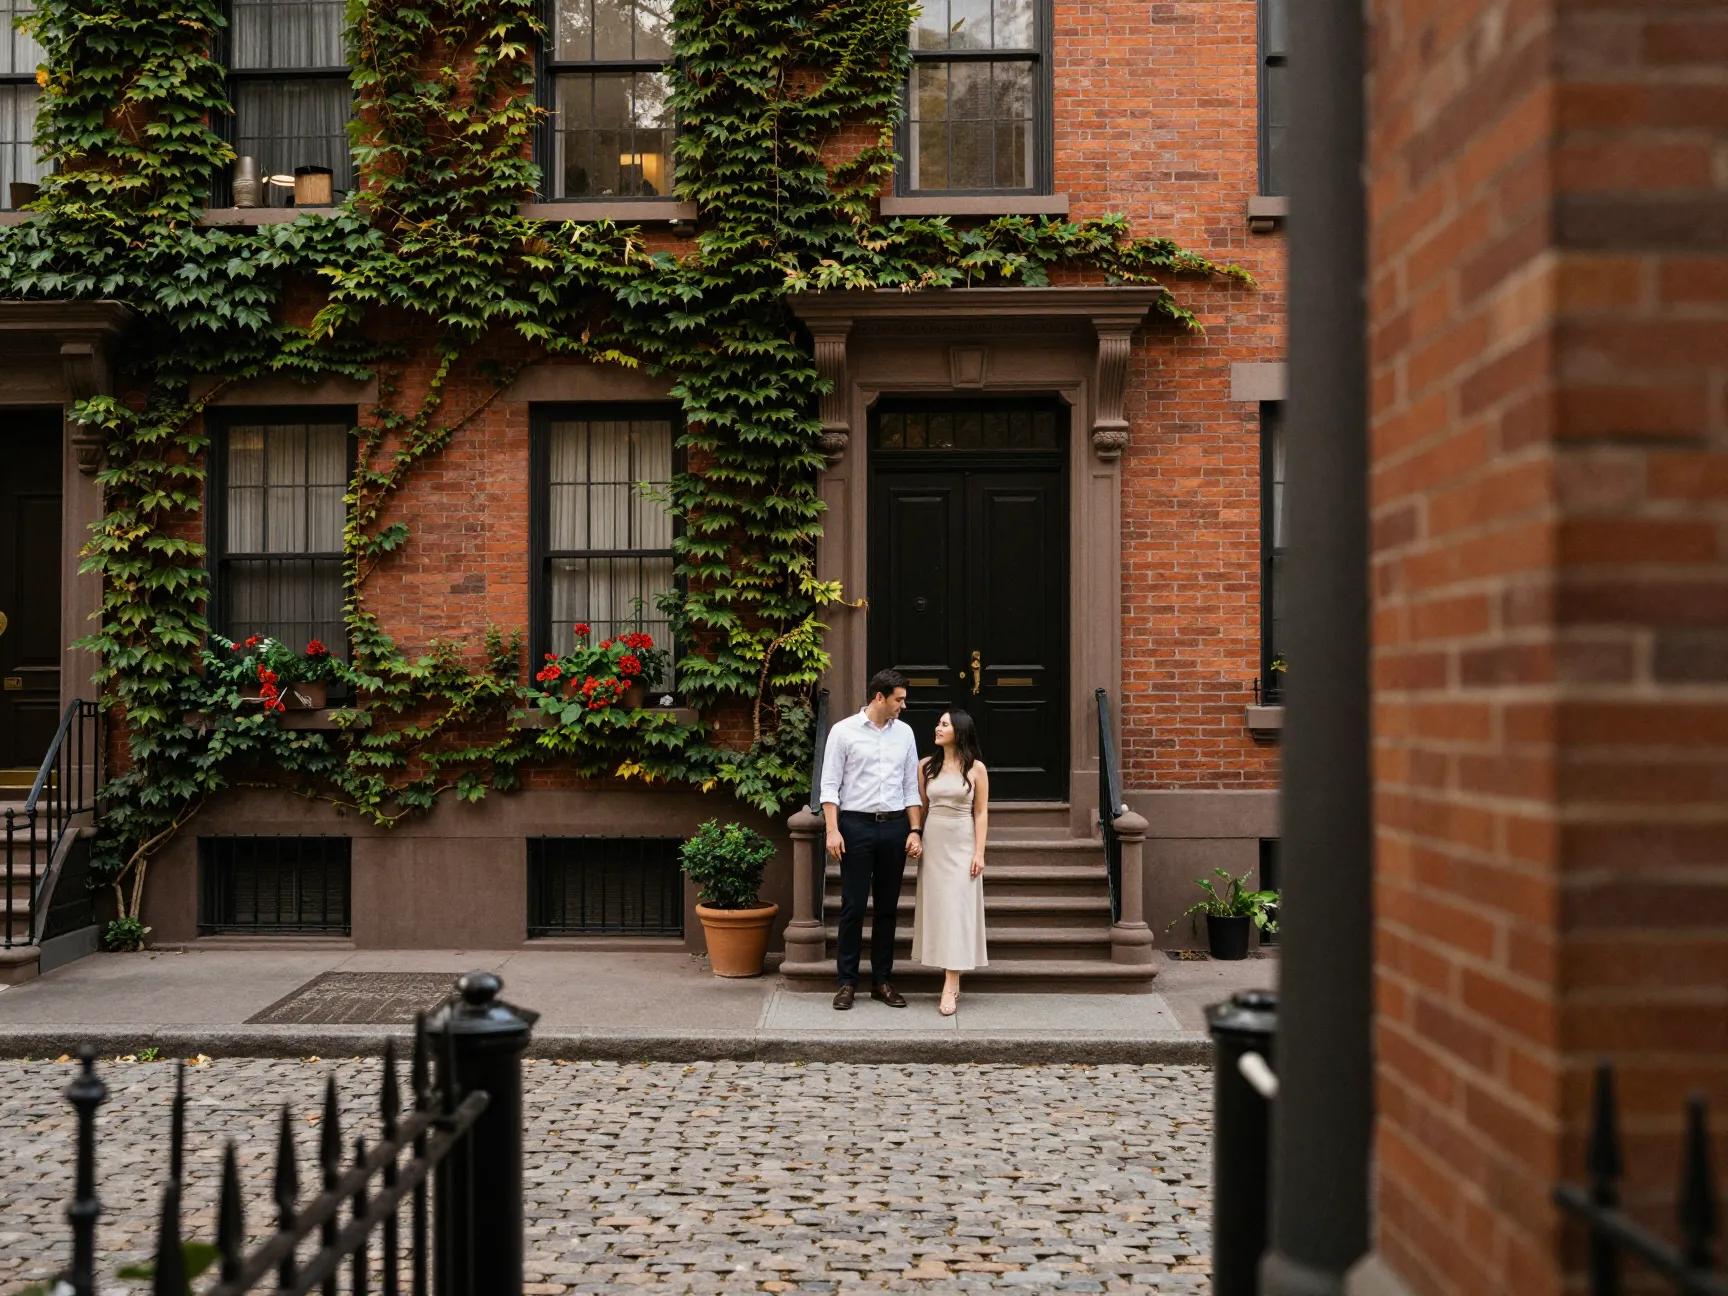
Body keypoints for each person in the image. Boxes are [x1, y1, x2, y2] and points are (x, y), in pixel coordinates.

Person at [819, 668, 924, 1010]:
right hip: (856, 826)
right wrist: (833, 829)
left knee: (887, 909)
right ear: (879, 697)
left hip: (894, 828)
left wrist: (914, 829)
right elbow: (830, 785)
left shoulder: (905, 734)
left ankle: (882, 980)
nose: (902, 706)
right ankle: (847, 982)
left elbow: (911, 787)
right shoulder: (843, 731)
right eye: (899, 699)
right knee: (852, 907)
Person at [910, 709, 989, 1016]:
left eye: (944, 724)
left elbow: (981, 813)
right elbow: (921, 807)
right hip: (935, 844)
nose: (937, 728)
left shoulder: (977, 769)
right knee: (941, 910)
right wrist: (915, 835)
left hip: (963, 842)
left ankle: (950, 984)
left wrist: (979, 852)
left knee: (958, 911)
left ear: (960, 731)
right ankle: (949, 975)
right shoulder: (925, 766)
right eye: (939, 723)